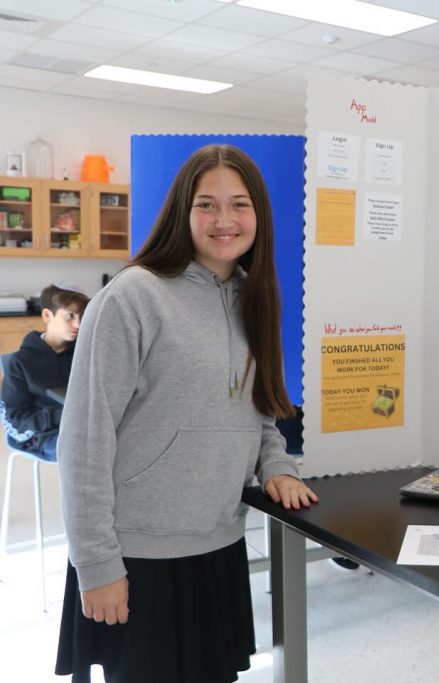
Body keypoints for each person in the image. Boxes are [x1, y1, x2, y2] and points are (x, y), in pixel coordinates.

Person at [55, 144, 318, 683]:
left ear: (258, 214)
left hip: (218, 544)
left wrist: (277, 466)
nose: (224, 220)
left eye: (239, 204)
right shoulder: (133, 296)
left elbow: (260, 411)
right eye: (206, 204)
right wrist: (97, 564)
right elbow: (85, 440)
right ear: (182, 210)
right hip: (137, 554)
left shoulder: (253, 297)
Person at [1, 284, 89, 461]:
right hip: (43, 435)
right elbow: (17, 417)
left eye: (82, 317)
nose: (78, 324)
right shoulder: (20, 362)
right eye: (70, 316)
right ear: (48, 315)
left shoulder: (84, 353)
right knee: (83, 453)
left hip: (84, 427)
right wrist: (59, 416)